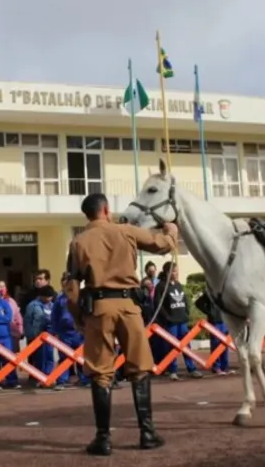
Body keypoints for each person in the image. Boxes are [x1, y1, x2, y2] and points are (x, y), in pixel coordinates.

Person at [64, 192, 178, 456]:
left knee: (100, 373)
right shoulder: (126, 231)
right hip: (129, 307)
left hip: (99, 310)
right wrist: (171, 231)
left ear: (88, 214)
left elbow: (71, 287)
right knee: (139, 368)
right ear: (106, 210)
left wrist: (79, 318)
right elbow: (161, 245)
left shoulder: (78, 242)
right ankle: (147, 433)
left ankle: (103, 438)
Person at [153, 262, 202, 380]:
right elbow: (158, 304)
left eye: (177, 271)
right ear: (167, 272)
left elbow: (184, 300)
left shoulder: (178, 285)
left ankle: (192, 369)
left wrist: (186, 313)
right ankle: (172, 370)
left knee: (186, 346)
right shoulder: (161, 286)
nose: (176, 273)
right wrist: (167, 317)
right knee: (172, 346)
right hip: (171, 323)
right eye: (174, 271)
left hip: (182, 321)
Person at [51, 272, 89, 390]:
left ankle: (85, 379)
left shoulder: (81, 297)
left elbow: (86, 313)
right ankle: (62, 380)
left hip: (78, 332)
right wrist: (55, 331)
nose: (65, 284)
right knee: (64, 357)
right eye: (63, 281)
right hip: (64, 333)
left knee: (81, 357)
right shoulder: (59, 299)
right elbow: (54, 316)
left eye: (67, 281)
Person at [24, 285, 58, 386]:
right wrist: (30, 335)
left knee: (49, 356)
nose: (49, 299)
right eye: (47, 297)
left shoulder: (52, 305)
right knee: (39, 358)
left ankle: (48, 376)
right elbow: (28, 321)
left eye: (51, 297)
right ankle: (38, 378)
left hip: (49, 336)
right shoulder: (33, 306)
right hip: (36, 336)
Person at [196, 291, 231, 375]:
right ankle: (216, 367)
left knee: (225, 344)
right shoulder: (209, 291)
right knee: (215, 344)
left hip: (224, 320)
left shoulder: (224, 291)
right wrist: (209, 312)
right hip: (214, 321)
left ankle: (224, 366)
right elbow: (198, 303)